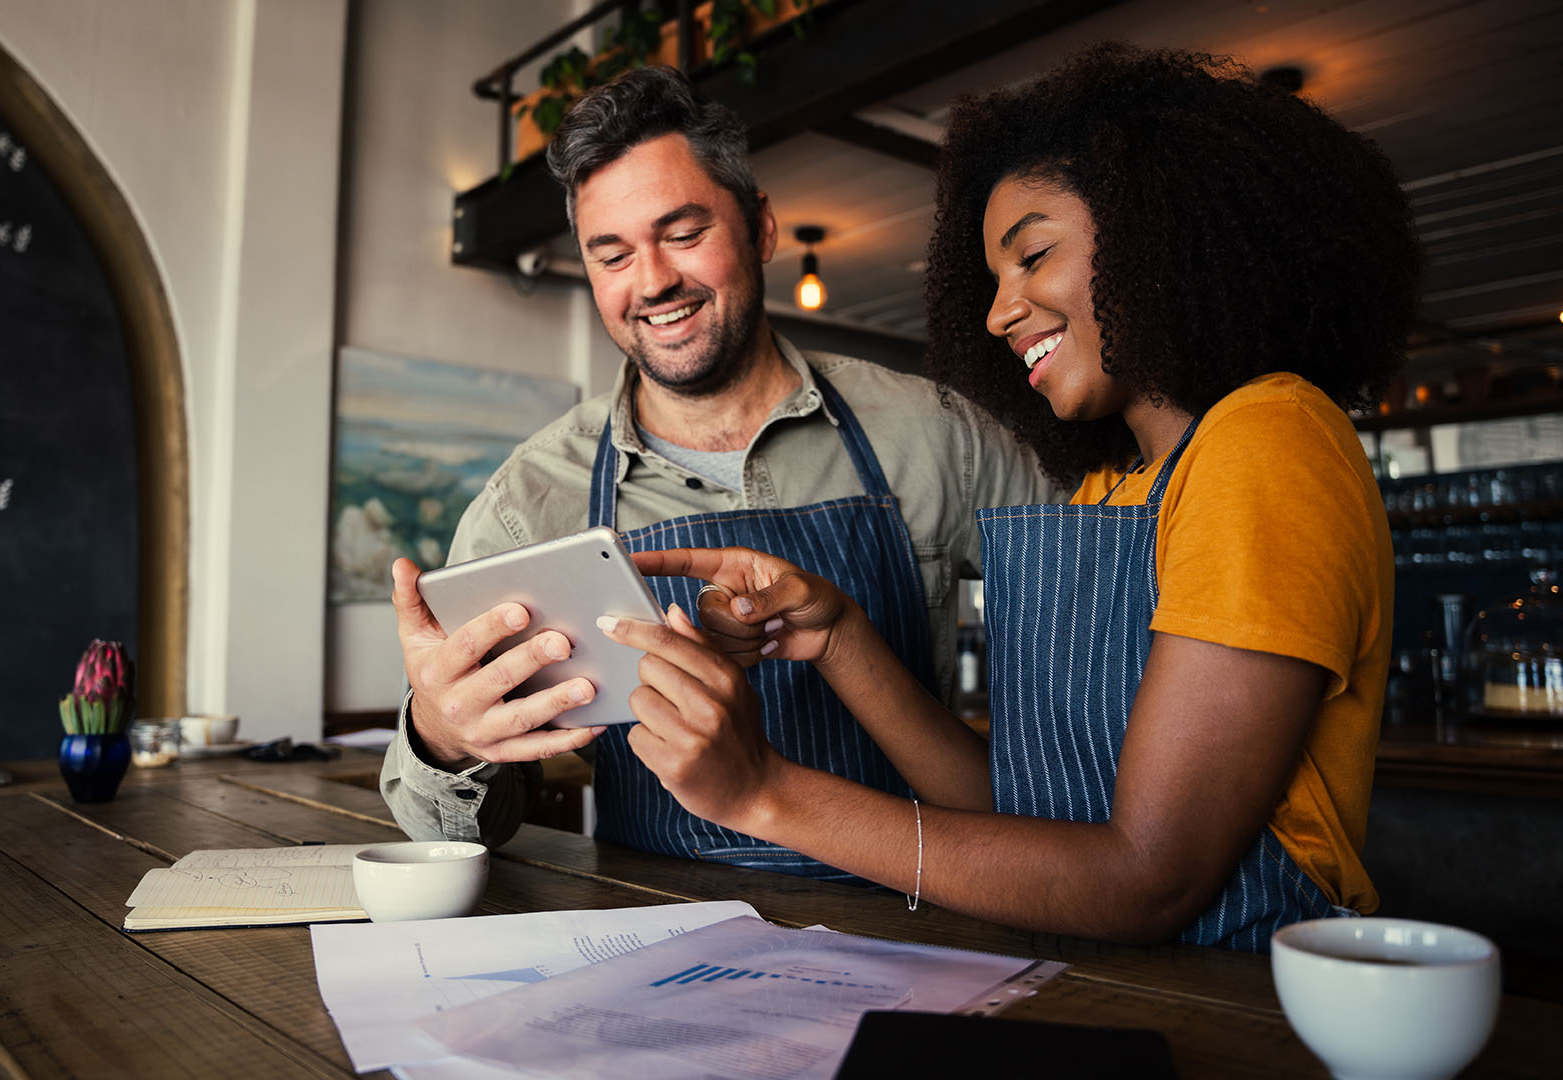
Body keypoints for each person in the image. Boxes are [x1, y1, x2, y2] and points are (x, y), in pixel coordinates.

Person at [598, 44, 1420, 949]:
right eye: (993, 279)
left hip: (1239, 994)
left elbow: (1148, 876)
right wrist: (838, 637)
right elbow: (1022, 820)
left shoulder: (1268, 441)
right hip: (1100, 983)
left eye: (1032, 256)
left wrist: (763, 794)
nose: (999, 312)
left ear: (1161, 231)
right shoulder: (1118, 489)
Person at [379, 65, 1062, 879]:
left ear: (761, 228)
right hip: (654, 936)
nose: (654, 281)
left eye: (683, 232)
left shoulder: (936, 434)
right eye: (613, 254)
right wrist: (443, 737)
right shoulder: (531, 503)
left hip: (931, 917)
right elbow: (460, 836)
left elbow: (1099, 665)